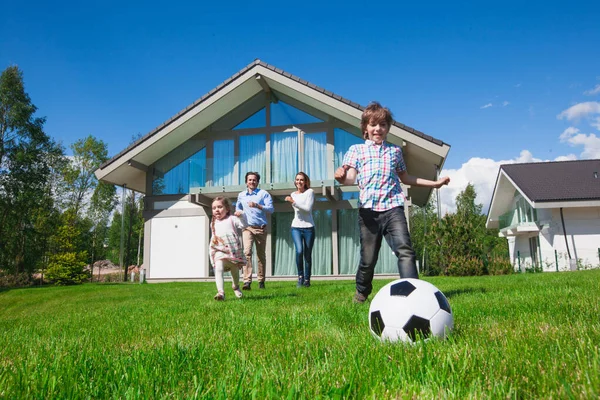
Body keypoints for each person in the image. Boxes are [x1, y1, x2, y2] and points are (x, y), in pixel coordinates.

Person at [334, 101, 450, 304]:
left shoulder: (395, 152)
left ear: (388, 128)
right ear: (366, 128)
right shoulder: (356, 150)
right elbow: (351, 178)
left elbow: (406, 178)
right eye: (373, 124)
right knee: (368, 259)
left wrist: (435, 183)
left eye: (382, 125)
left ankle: (415, 296)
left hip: (393, 208)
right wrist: (341, 177)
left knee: (405, 250)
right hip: (368, 212)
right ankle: (361, 293)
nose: (378, 129)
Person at [236, 172, 274, 290]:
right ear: (246, 181)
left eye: (254, 180)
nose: (252, 182)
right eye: (250, 180)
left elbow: (271, 209)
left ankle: (261, 280)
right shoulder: (241, 195)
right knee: (247, 253)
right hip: (247, 228)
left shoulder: (264, 194)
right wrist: (238, 212)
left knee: (260, 256)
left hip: (260, 228)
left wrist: (258, 206)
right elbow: (238, 207)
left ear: (257, 182)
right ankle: (247, 281)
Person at [209, 196, 247, 301]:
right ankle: (221, 292)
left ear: (227, 209)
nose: (217, 210)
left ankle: (235, 286)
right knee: (219, 268)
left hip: (232, 252)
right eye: (214, 208)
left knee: (234, 271)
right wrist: (212, 251)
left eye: (220, 207)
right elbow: (213, 238)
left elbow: (244, 225)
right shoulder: (213, 223)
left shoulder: (232, 219)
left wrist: (242, 216)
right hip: (219, 251)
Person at [285, 172, 315, 288]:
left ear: (306, 181)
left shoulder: (310, 192)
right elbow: (298, 210)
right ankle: (300, 277)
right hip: (296, 227)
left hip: (309, 228)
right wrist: (294, 201)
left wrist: (293, 202)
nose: (299, 182)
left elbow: (307, 209)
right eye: (297, 180)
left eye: (302, 180)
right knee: (299, 251)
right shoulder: (293, 194)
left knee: (307, 255)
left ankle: (307, 279)